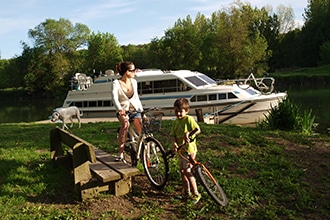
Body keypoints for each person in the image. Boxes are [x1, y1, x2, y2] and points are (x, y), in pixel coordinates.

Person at [170, 97, 201, 204]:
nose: (178, 114)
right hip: (181, 151)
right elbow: (173, 135)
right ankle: (186, 192)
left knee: (188, 171)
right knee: (182, 172)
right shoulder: (175, 122)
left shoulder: (188, 119)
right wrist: (174, 143)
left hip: (189, 149)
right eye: (176, 111)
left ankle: (196, 193)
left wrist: (189, 133)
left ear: (186, 111)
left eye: (180, 111)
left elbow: (197, 130)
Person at [112, 61, 143, 162]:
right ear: (126, 72)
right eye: (132, 70)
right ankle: (120, 153)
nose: (135, 72)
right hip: (123, 110)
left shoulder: (134, 82)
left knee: (141, 130)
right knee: (125, 125)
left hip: (135, 109)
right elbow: (114, 98)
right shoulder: (116, 83)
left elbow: (136, 98)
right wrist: (120, 109)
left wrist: (141, 111)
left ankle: (144, 150)